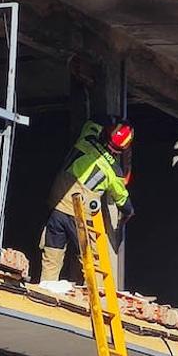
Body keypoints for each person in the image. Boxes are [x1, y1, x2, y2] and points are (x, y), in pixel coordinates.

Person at [39, 117, 135, 282]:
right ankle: (94, 302)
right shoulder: (114, 171)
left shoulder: (87, 137)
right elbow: (123, 202)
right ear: (123, 149)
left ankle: (46, 291)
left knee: (51, 257)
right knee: (93, 264)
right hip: (80, 218)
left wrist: (113, 122)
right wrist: (129, 213)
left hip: (57, 207)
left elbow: (94, 123)